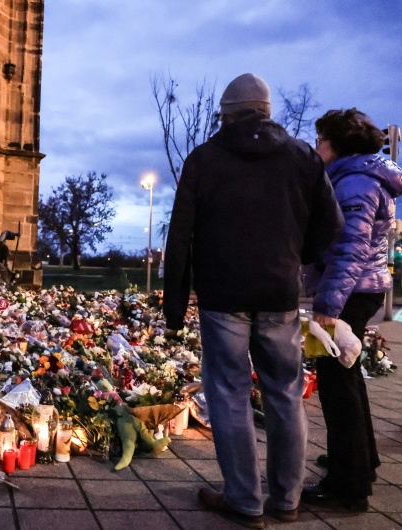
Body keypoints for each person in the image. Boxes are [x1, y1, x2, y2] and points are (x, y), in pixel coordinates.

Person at [163, 73, 343, 529]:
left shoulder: (205, 159)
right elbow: (332, 222)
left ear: (226, 114)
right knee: (285, 393)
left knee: (229, 394)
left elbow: (180, 234)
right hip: (278, 293)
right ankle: (287, 498)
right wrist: (296, 257)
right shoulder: (301, 155)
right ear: (266, 110)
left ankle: (244, 499)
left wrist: (175, 304)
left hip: (223, 296)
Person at [301, 109, 402, 511]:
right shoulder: (358, 176)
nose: (316, 146)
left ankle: (348, 485)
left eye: (322, 139)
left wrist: (328, 306)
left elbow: (350, 250)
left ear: (339, 144)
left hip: (350, 291)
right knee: (346, 374)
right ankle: (361, 460)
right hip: (361, 289)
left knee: (336, 381)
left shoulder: (356, 182)